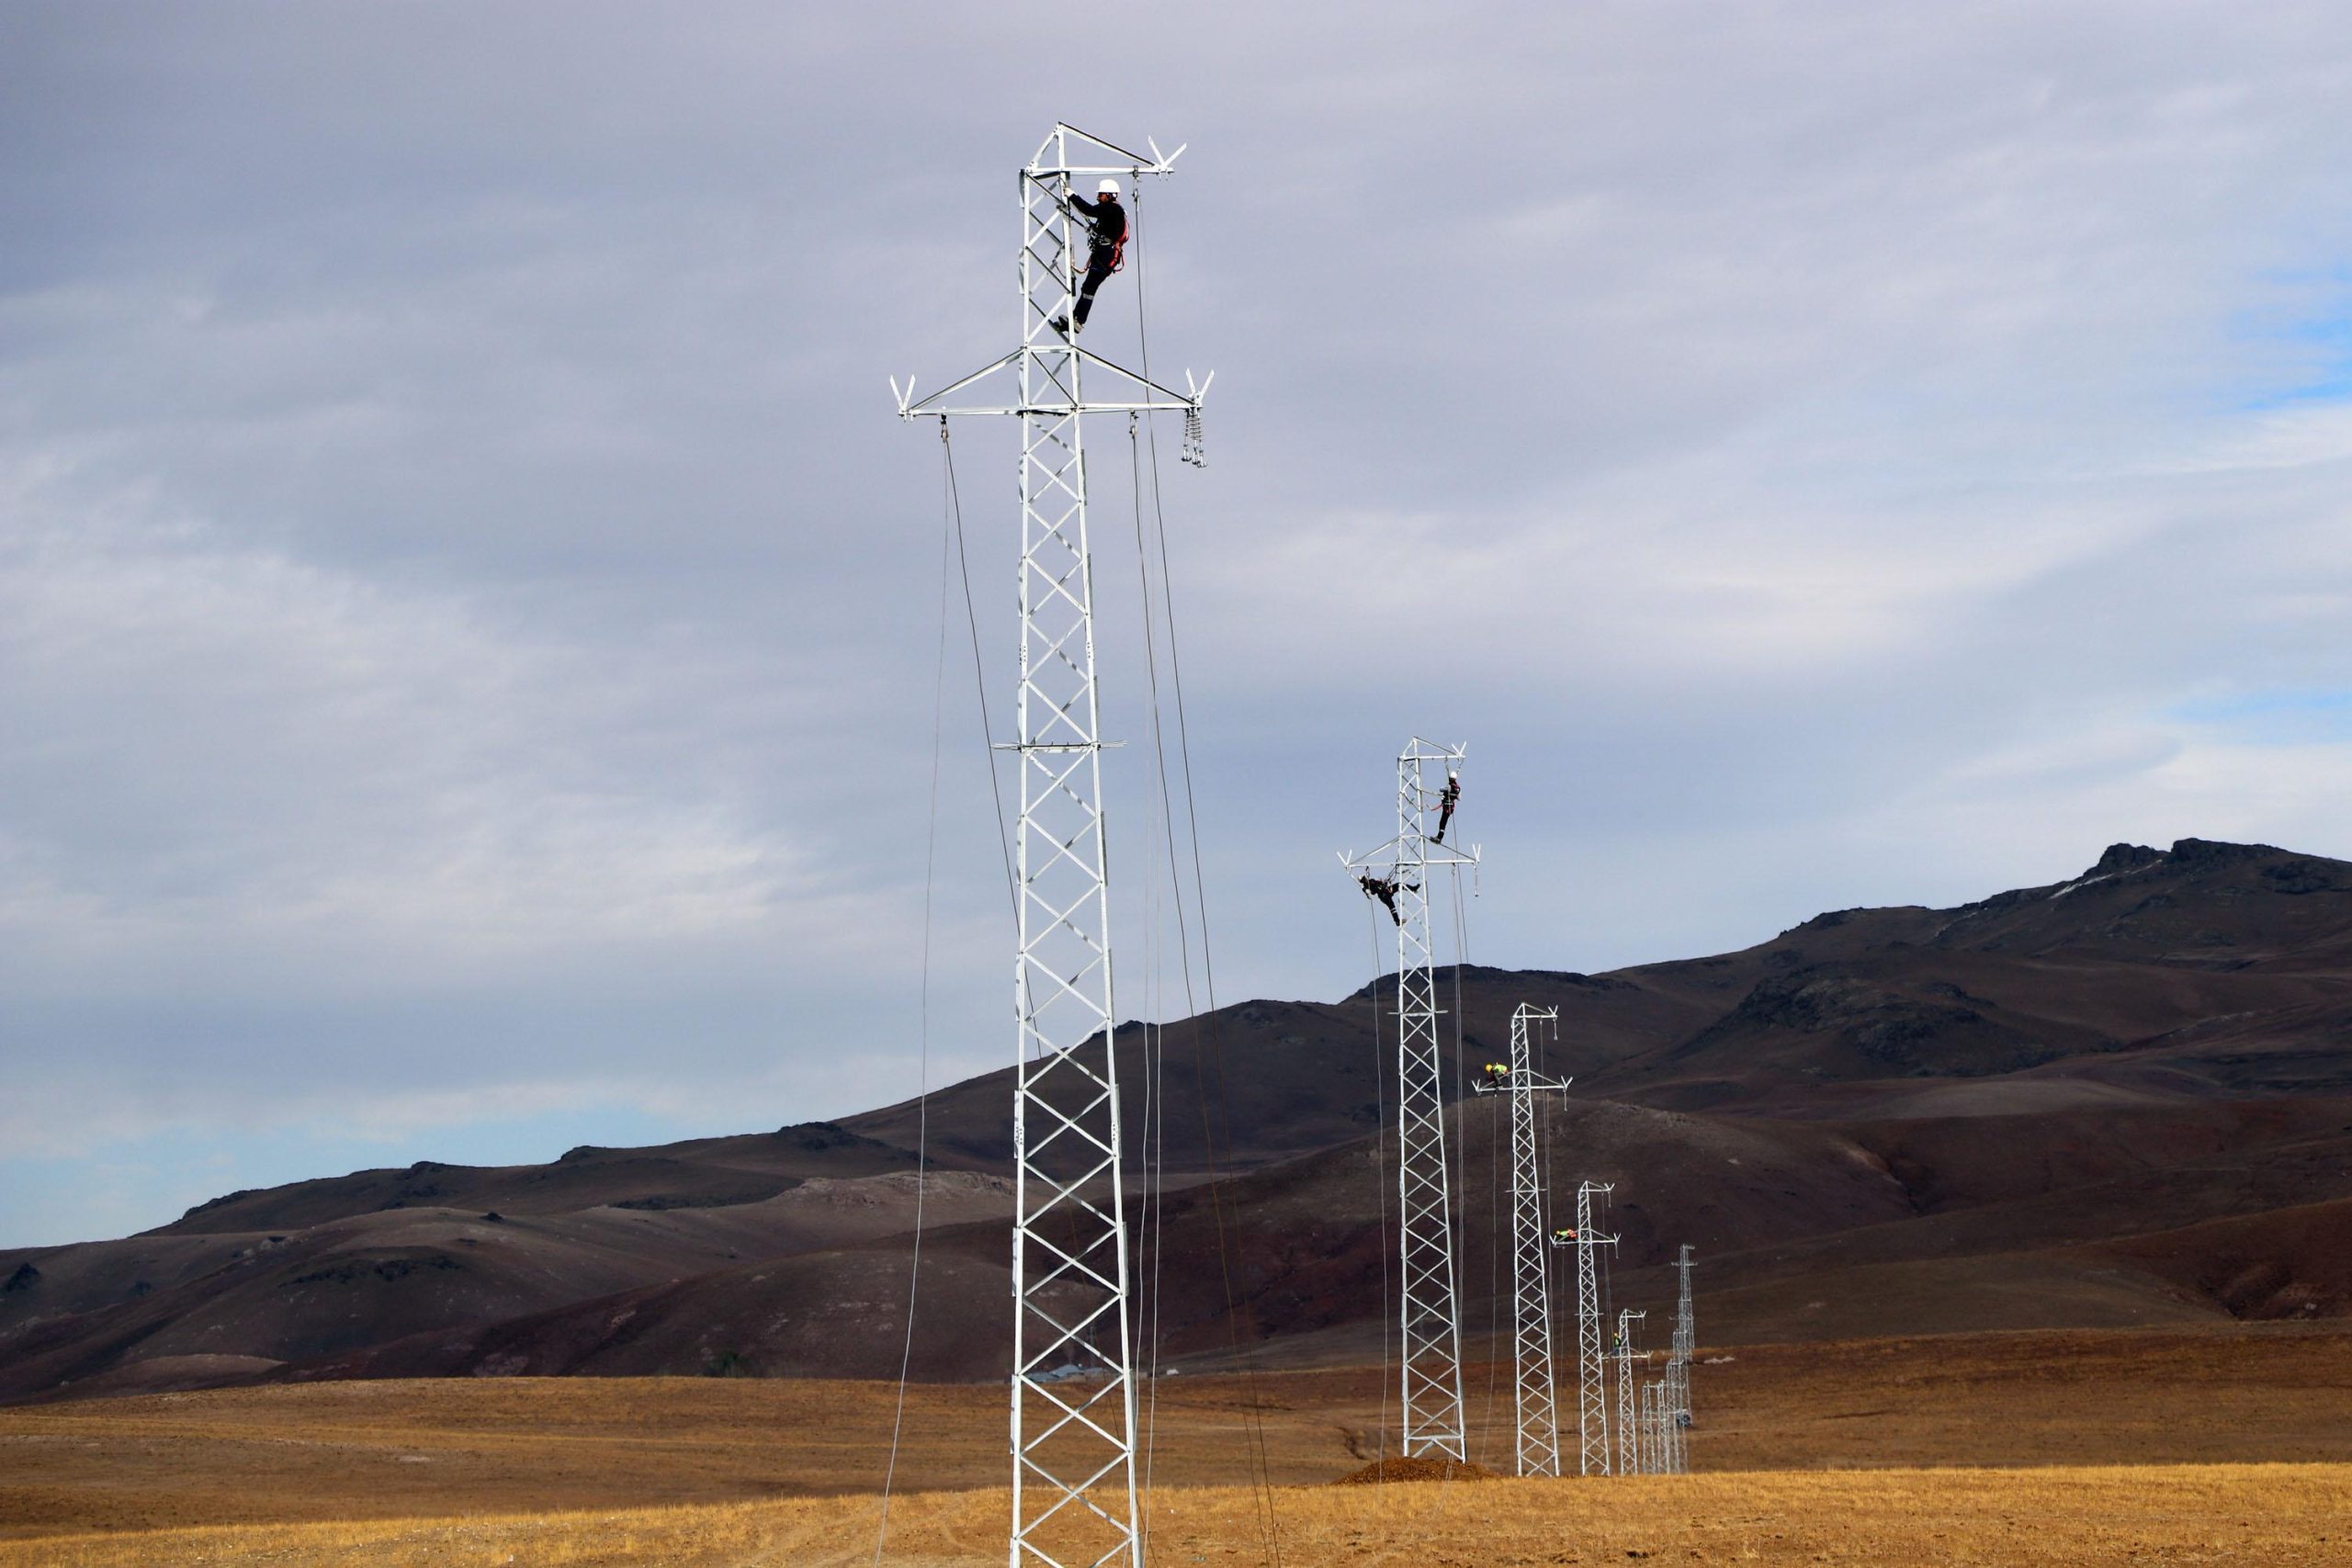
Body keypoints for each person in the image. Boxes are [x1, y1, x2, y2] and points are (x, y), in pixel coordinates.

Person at [1050, 178, 1127, 336]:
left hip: (1107, 255)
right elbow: (1101, 224)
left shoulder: (1112, 209)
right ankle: (1075, 318)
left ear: (1109, 195)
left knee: (1089, 288)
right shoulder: (1111, 212)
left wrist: (1072, 196)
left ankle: (1078, 320)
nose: (1098, 197)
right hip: (1104, 254)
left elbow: (1089, 210)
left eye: (1101, 195)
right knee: (1088, 288)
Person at [1433, 772, 1461, 843]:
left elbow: (1440, 789)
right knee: (1443, 822)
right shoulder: (1458, 788)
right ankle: (1439, 837)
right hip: (1450, 807)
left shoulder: (1449, 786)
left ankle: (1439, 838)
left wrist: (1446, 791)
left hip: (1447, 807)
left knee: (1442, 822)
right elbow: (1459, 798)